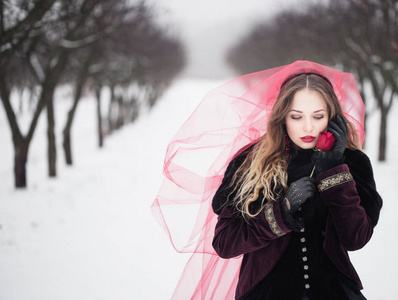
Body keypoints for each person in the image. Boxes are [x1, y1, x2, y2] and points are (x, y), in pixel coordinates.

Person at [153, 61, 382, 300]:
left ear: (333, 118)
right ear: (282, 117)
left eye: (318, 116)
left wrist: (334, 170)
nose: (308, 126)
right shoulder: (251, 163)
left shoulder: (351, 163)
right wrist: (281, 211)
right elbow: (225, 243)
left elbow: (356, 238)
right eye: (296, 116)